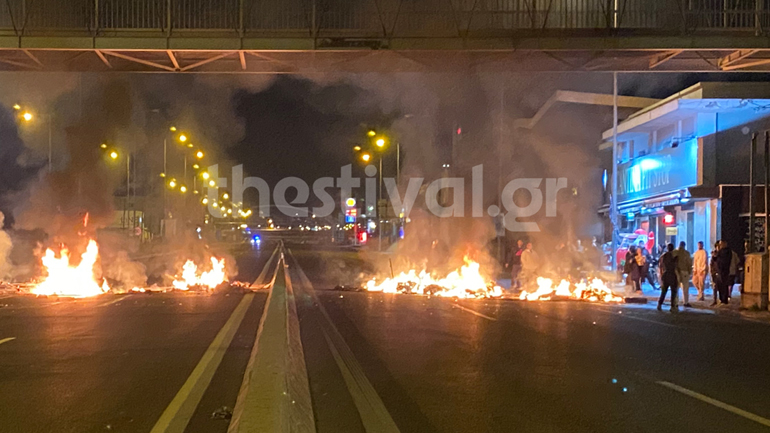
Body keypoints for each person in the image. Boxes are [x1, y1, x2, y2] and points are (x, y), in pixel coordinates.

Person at [658, 243, 679, 312]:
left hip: (666, 274)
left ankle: (659, 304)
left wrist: (661, 274)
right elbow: (676, 265)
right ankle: (672, 306)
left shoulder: (664, 256)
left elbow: (661, 265)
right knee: (673, 291)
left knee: (664, 291)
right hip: (672, 275)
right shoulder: (674, 256)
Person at [674, 241, 693, 307]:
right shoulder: (686, 253)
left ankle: (675, 302)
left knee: (676, 287)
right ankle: (685, 302)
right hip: (684, 271)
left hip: (676, 271)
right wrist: (690, 271)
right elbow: (689, 263)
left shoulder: (675, 252)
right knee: (685, 288)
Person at [716, 240, 732, 305]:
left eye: (721, 244)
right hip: (719, 271)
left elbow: (725, 260)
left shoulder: (727, 251)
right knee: (719, 285)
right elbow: (717, 259)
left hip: (724, 271)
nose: (720, 245)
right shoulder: (719, 251)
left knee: (724, 285)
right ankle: (721, 299)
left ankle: (724, 299)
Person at [709, 241, 721, 306]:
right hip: (715, 273)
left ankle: (721, 300)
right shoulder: (714, 255)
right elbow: (711, 264)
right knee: (715, 287)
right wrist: (712, 272)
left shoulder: (722, 254)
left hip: (720, 272)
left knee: (721, 286)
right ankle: (715, 300)